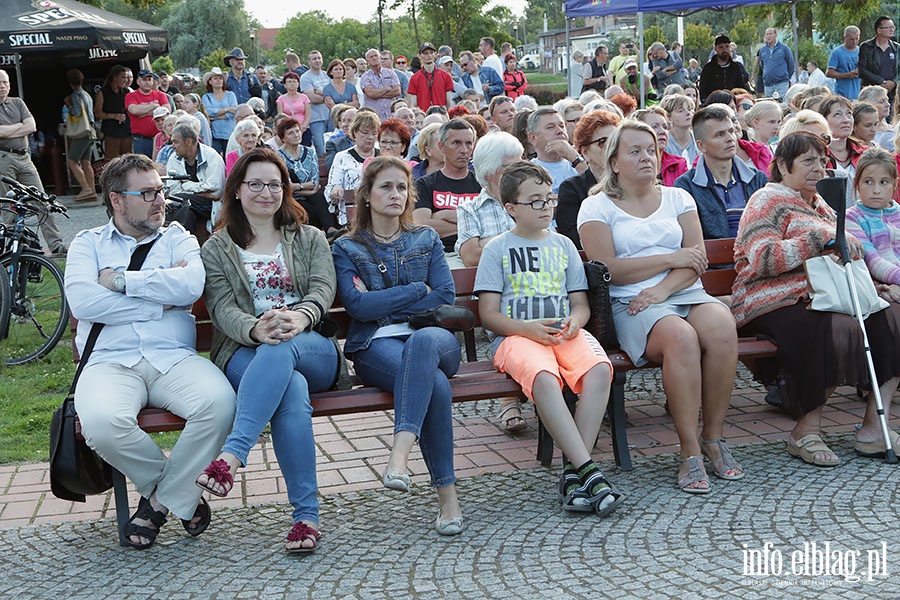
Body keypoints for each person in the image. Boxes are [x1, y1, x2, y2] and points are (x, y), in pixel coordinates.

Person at [65, 153, 236, 549]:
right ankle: (180, 495)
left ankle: (158, 503)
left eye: (161, 190)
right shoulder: (86, 243)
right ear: (116, 200)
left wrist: (122, 281)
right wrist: (159, 301)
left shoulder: (178, 236)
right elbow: (85, 303)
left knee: (220, 403)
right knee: (103, 422)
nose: (160, 200)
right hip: (109, 362)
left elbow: (191, 287)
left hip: (172, 358)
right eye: (147, 193)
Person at [578, 119, 743, 493]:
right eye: (634, 151)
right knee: (680, 337)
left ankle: (713, 437)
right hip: (631, 303)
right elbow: (609, 270)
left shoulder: (678, 198)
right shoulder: (596, 207)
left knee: (721, 325)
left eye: (650, 150)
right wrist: (671, 259)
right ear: (615, 161)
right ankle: (688, 451)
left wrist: (664, 288)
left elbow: (697, 260)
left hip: (680, 291)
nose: (645, 157)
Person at [197, 147, 342, 553]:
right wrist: (255, 328)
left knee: (285, 352)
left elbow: (322, 288)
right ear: (237, 190)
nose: (266, 192)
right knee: (289, 387)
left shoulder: (309, 236)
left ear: (285, 189)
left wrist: (299, 317)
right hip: (248, 350)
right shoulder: (217, 248)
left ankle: (232, 456)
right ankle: (306, 518)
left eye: (275, 184)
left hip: (311, 346)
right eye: (255, 184)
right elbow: (222, 307)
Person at [732, 132, 900, 465]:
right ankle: (805, 431)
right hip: (769, 299)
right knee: (838, 328)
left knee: (889, 318)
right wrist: (816, 240)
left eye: (822, 161)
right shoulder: (767, 200)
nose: (818, 168)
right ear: (782, 164)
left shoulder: (820, 204)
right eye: (808, 160)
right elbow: (762, 259)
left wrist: (872, 288)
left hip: (821, 295)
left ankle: (873, 428)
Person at [475, 161, 624, 515]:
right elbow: (489, 316)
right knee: (544, 378)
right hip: (518, 337)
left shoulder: (564, 245)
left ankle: (575, 475)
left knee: (600, 370)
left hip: (563, 333)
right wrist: (527, 329)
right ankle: (588, 471)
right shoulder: (497, 249)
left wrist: (576, 320)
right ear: (511, 209)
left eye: (549, 199)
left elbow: (580, 304)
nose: (545, 207)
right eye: (535, 201)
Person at [332, 156, 465, 536]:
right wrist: (413, 290)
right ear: (367, 196)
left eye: (402, 187)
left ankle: (399, 455)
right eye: (386, 187)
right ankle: (448, 499)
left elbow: (443, 296)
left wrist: (389, 298)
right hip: (375, 346)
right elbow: (358, 306)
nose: (396, 194)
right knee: (434, 386)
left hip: (435, 339)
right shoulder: (348, 248)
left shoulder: (426, 239)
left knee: (423, 341)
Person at [674, 105, 768, 239]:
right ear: (701, 146)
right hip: (710, 258)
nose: (730, 138)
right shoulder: (686, 186)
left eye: (731, 131)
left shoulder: (757, 179)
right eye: (720, 134)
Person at [0, 70, 66, 254]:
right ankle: (13, 250)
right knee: (9, 206)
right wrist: (20, 128)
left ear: (10, 85)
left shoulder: (17, 103)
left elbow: (32, 126)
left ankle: (56, 245)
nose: (2, 86)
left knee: (41, 200)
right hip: (3, 158)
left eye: (4, 82)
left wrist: (10, 130)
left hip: (24, 157)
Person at [413, 119, 480, 267]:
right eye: (456, 143)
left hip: (477, 253)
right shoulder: (424, 184)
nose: (464, 150)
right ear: (441, 147)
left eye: (469, 143)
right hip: (441, 254)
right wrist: (471, 225)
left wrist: (444, 215)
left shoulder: (481, 184)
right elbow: (421, 227)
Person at [557, 110, 622, 249]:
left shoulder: (634, 184)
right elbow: (574, 239)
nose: (612, 148)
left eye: (616, 141)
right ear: (585, 153)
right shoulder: (572, 189)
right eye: (603, 142)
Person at [846, 148, 900, 292]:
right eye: (868, 182)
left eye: (884, 182)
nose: (876, 190)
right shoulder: (851, 218)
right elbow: (871, 260)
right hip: (877, 287)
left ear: (895, 184)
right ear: (857, 183)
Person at [274, 118, 336, 235]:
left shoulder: (310, 151)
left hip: (310, 194)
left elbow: (315, 182)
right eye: (291, 133)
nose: (296, 135)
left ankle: (331, 230)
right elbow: (288, 187)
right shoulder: (279, 156)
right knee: (308, 209)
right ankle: (317, 236)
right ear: (283, 138)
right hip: (292, 198)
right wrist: (306, 189)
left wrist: (299, 187)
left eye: (297, 131)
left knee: (319, 197)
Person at [166, 123, 226, 233]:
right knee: (185, 208)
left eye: (176, 142)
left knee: (181, 201)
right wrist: (201, 191)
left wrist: (186, 186)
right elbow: (173, 192)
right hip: (186, 203)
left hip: (211, 206)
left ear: (188, 141)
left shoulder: (211, 156)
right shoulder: (173, 159)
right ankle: (183, 242)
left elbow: (216, 192)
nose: (172, 146)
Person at [325, 111, 380, 228]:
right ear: (355, 132)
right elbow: (330, 187)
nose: (370, 137)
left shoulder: (383, 157)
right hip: (351, 217)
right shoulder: (342, 157)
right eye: (365, 133)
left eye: (374, 133)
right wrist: (336, 189)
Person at [527, 108, 588, 194]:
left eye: (562, 126)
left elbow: (596, 186)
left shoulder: (582, 161)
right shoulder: (528, 172)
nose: (560, 131)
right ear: (533, 137)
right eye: (550, 127)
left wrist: (575, 158)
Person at [64, 68, 98, 202]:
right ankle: (92, 190)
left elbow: (77, 112)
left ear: (70, 82)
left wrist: (68, 104)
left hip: (82, 133)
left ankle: (86, 189)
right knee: (86, 162)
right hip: (91, 131)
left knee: (72, 161)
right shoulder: (87, 95)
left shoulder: (75, 95)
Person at [632, 106, 688, 187]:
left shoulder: (679, 164)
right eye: (654, 126)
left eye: (665, 127)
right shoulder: (631, 164)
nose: (662, 132)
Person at [125, 70, 171, 157]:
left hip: (161, 138)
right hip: (141, 140)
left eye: (149, 80)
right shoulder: (131, 96)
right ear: (138, 81)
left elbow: (166, 110)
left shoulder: (160, 95)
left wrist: (142, 113)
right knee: (143, 168)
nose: (147, 82)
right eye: (144, 80)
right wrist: (155, 106)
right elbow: (134, 110)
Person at [818, 95, 866, 177]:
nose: (846, 120)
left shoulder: (866, 153)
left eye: (849, 114)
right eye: (838, 114)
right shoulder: (817, 155)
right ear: (824, 121)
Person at [859, 17, 900, 111]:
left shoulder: (897, 48)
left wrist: (894, 82)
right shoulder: (866, 47)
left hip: (893, 94)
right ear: (879, 30)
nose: (892, 29)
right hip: (872, 93)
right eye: (888, 27)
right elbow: (862, 70)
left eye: (893, 27)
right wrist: (881, 81)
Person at [94, 65, 132, 160]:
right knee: (112, 161)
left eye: (126, 77)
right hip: (111, 132)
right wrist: (114, 116)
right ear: (115, 77)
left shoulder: (127, 92)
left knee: (127, 160)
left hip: (126, 131)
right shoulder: (102, 93)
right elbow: (97, 113)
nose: (125, 80)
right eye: (123, 77)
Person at [299, 51, 333, 156]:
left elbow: (336, 93)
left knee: (333, 146)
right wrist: (328, 97)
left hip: (331, 116)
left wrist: (319, 92)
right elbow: (312, 98)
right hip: (316, 118)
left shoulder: (327, 75)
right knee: (321, 149)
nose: (317, 61)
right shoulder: (305, 77)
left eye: (319, 58)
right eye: (314, 59)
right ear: (309, 62)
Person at [699, 35, 749, 102]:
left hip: (733, 102)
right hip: (714, 103)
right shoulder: (708, 69)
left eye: (727, 46)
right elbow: (703, 90)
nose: (724, 50)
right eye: (721, 47)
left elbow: (741, 87)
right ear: (715, 49)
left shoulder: (736, 67)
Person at [202, 68, 238, 156]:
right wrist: (227, 109)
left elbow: (234, 111)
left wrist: (215, 117)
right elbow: (208, 112)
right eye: (215, 78)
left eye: (220, 78)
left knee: (230, 157)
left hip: (230, 133)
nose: (218, 80)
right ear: (210, 82)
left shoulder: (231, 95)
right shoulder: (206, 97)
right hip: (215, 134)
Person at [408, 43, 454, 111]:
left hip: (442, 115)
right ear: (419, 56)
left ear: (435, 54)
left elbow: (449, 104)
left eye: (431, 53)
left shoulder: (446, 76)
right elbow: (413, 105)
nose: (429, 56)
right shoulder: (414, 78)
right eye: (425, 53)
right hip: (424, 116)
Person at [360, 48, 401, 121]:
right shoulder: (365, 77)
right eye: (371, 57)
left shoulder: (390, 73)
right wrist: (387, 88)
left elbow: (397, 91)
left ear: (380, 58)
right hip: (374, 117)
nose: (374, 58)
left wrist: (377, 94)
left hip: (390, 115)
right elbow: (371, 93)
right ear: (367, 60)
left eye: (376, 56)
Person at [660, 93, 698, 166]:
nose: (688, 113)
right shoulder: (663, 142)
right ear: (669, 118)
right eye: (680, 111)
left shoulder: (699, 139)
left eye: (689, 109)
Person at [755, 28, 794, 100]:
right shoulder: (762, 50)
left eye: (770, 34)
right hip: (768, 84)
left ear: (776, 35)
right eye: (767, 34)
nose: (768, 36)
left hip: (782, 83)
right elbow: (762, 65)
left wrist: (786, 76)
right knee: (769, 105)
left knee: (783, 104)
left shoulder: (784, 48)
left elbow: (791, 64)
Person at [275, 72, 312, 146]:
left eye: (294, 81)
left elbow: (308, 115)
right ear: (285, 85)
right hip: (288, 130)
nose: (292, 84)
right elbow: (280, 116)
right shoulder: (281, 99)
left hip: (303, 128)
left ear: (298, 84)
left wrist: (303, 127)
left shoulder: (304, 97)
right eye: (289, 82)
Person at [325, 106, 357, 172]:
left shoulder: (370, 144)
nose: (345, 125)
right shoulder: (334, 144)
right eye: (343, 121)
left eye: (349, 121)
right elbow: (331, 168)